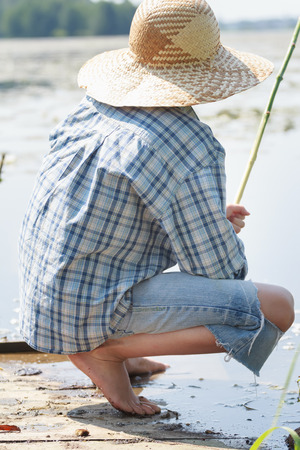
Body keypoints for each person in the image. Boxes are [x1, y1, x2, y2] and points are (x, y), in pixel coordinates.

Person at [19, 0, 294, 416]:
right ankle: (109, 352)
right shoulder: (189, 144)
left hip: (45, 304)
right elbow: (222, 270)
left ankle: (123, 352)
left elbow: (105, 216)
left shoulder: (93, 108)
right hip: (87, 310)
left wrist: (206, 218)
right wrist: (218, 233)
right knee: (278, 306)